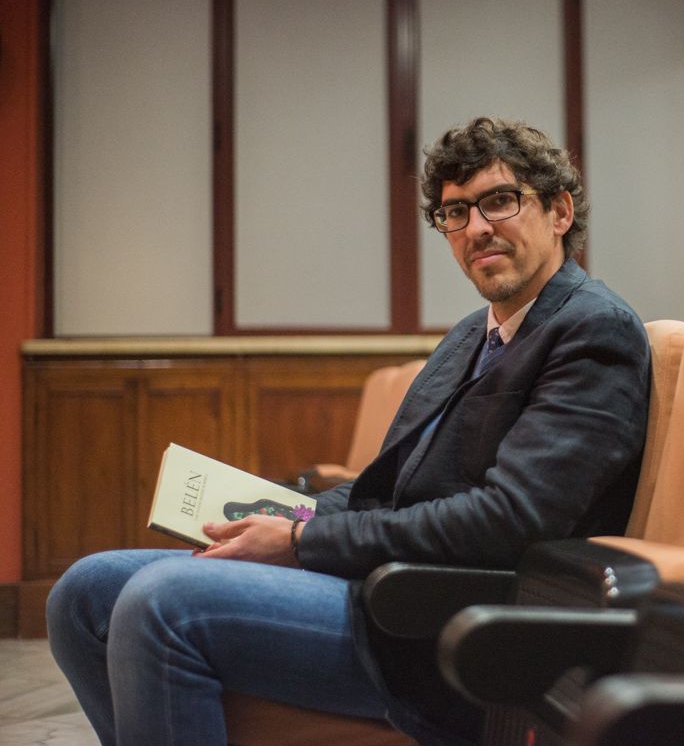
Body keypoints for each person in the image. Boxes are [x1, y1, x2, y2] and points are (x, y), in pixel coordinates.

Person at [47, 117, 651, 746]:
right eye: (455, 212)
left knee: (161, 602)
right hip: (385, 586)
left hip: (445, 626)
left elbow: (509, 520)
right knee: (82, 595)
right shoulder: (473, 334)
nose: (476, 228)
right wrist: (269, 515)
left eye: (499, 200)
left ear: (558, 211)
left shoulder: (591, 330)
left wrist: (303, 542)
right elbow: (383, 491)